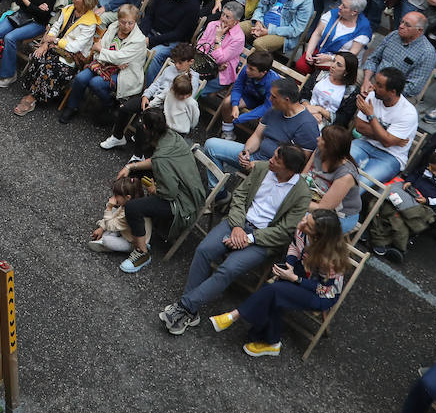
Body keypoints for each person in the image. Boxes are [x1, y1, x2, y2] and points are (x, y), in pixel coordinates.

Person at [159, 144, 311, 334]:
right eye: (272, 156)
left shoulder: (302, 194)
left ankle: (185, 306)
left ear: (289, 170)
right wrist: (238, 227)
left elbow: (283, 231)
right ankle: (190, 310)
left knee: (228, 269)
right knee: (204, 250)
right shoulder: (263, 169)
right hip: (237, 223)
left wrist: (248, 238)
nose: (270, 160)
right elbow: (239, 195)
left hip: (262, 240)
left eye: (276, 160)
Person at [208, 209, 349, 358]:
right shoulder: (302, 230)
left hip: (322, 294)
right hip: (301, 274)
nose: (301, 224)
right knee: (275, 292)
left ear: (319, 236)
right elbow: (294, 247)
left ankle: (235, 315)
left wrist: (295, 279)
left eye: (308, 225)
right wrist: (290, 265)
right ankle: (271, 342)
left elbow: (324, 289)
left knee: (274, 290)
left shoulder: (330, 258)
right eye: (306, 219)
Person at [114, 111, 205, 273]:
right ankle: (137, 228)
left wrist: (155, 189)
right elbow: (157, 161)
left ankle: (142, 253)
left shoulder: (161, 157)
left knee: (133, 208)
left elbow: (169, 193)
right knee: (136, 175)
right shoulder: (172, 136)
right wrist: (130, 166)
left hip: (183, 205)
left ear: (145, 128)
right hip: (192, 191)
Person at [62, 3, 148, 124]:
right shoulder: (113, 27)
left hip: (125, 73)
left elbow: (116, 56)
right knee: (81, 78)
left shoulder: (139, 40)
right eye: (123, 22)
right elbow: (99, 47)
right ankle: (72, 107)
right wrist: (109, 56)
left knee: (95, 83)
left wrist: (104, 52)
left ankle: (110, 104)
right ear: (118, 19)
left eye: (130, 23)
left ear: (135, 22)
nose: (126, 26)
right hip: (104, 64)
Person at [368, 149, 436, 261]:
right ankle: (383, 239)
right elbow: (415, 174)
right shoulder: (427, 168)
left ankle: (379, 238)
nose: (434, 173)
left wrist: (427, 200)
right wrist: (409, 181)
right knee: (386, 199)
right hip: (408, 191)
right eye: (432, 169)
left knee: (396, 215)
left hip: (422, 202)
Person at [349, 66, 418, 181]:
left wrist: (371, 116)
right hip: (365, 144)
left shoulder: (408, 113)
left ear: (392, 92)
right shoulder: (373, 96)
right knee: (338, 164)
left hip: (391, 156)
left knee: (361, 183)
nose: (373, 87)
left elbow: (386, 143)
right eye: (376, 82)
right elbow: (360, 127)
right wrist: (387, 137)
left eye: (380, 86)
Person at [361, 11, 436, 101]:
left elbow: (413, 88)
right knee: (348, 73)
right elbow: (373, 59)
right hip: (375, 78)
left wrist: (379, 90)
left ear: (419, 31)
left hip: (397, 92)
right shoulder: (394, 35)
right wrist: (366, 80)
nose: (401, 26)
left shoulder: (427, 53)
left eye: (407, 25)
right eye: (402, 22)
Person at [87, 175, 144, 255]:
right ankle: (103, 238)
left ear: (127, 197)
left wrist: (109, 207)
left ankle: (104, 244)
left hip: (131, 242)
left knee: (107, 240)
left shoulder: (127, 214)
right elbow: (116, 215)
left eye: (116, 196)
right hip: (125, 230)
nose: (113, 198)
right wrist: (102, 228)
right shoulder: (130, 204)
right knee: (114, 211)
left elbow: (111, 225)